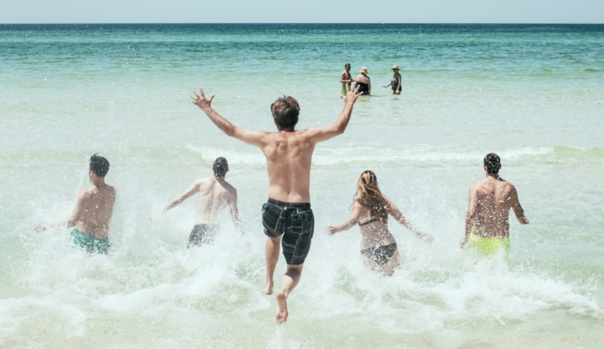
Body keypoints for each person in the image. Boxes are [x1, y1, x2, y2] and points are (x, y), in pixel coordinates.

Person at [191, 85, 361, 324]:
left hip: (273, 207)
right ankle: (284, 291)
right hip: (301, 210)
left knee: (273, 239)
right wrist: (349, 102)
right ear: (297, 117)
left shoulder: (266, 140)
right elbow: (339, 128)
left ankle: (268, 281)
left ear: (274, 118)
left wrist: (207, 108)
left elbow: (230, 130)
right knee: (295, 268)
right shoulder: (307, 138)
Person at [327, 170, 432, 276]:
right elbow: (402, 219)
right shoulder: (383, 200)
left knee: (372, 286)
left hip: (369, 250)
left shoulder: (359, 202)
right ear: (376, 183)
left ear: (359, 183)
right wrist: (419, 233)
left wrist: (336, 229)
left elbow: (353, 221)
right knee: (395, 281)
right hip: (388, 245)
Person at [36, 154, 116, 255]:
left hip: (84, 238)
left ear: (91, 172)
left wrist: (48, 226)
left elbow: (72, 222)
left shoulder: (86, 194)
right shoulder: (112, 192)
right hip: (102, 240)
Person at [157, 157, 242, 247]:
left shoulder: (201, 183)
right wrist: (241, 233)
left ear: (212, 168)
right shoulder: (231, 191)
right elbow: (234, 214)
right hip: (214, 230)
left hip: (199, 228)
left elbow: (181, 198)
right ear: (227, 170)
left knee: (190, 257)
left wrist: (160, 211)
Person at [461, 153, 529, 256]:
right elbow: (519, 214)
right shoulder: (509, 188)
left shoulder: (476, 186)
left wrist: (465, 238)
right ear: (500, 167)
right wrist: (525, 221)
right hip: (500, 240)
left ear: (484, 167)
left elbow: (471, 213)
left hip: (479, 237)